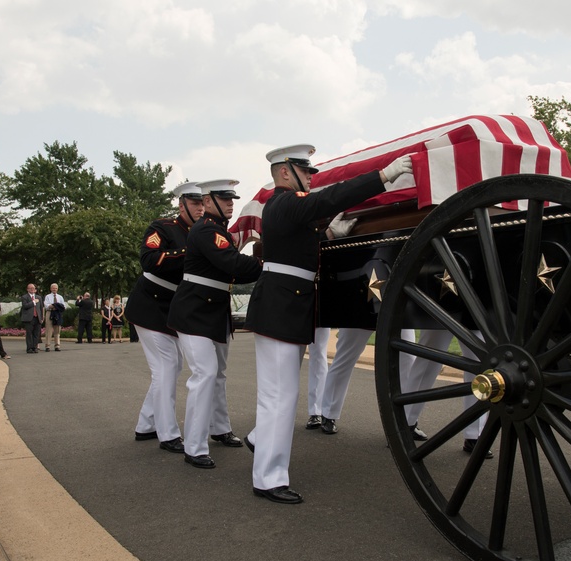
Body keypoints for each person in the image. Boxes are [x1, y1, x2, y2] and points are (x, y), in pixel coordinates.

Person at [244, 144, 412, 504]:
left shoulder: (288, 210)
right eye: (306, 171)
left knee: (279, 391)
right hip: (280, 307)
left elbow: (300, 246)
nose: (311, 177)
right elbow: (331, 198)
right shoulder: (284, 202)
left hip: (285, 306)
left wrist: (331, 236)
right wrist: (384, 176)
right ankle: (268, 478)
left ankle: (261, 439)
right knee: (280, 394)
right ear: (285, 172)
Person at [166, 179, 263, 470]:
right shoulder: (207, 230)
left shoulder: (217, 230)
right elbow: (233, 265)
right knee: (205, 374)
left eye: (232, 198)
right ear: (208, 202)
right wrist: (265, 263)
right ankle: (194, 447)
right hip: (194, 312)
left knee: (217, 374)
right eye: (224, 198)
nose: (231, 203)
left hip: (212, 312)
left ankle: (219, 429)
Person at [128, 182, 204, 453]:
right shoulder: (162, 227)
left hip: (172, 307)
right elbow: (149, 259)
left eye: (203, 203)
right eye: (195, 203)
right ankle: (168, 434)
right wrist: (189, 252)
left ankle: (146, 424)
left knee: (169, 367)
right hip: (150, 303)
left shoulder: (201, 232)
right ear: (181, 205)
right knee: (167, 367)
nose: (200, 208)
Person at [21, 283, 45, 353]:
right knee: (29, 334)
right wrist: (33, 302)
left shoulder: (39, 297)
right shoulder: (25, 297)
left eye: (33, 288)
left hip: (37, 317)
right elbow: (25, 306)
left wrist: (41, 317)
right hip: (29, 318)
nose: (32, 289)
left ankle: (35, 347)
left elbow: (41, 308)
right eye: (30, 288)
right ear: (27, 289)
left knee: (36, 333)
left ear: (35, 290)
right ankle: (29, 348)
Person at [43, 283, 65, 351]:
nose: (54, 289)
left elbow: (63, 306)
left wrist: (55, 305)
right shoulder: (47, 296)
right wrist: (56, 306)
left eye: (55, 288)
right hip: (50, 313)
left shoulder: (60, 297)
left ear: (57, 289)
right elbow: (47, 305)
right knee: (49, 330)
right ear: (50, 289)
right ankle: (47, 346)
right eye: (53, 288)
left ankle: (57, 346)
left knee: (57, 330)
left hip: (58, 313)